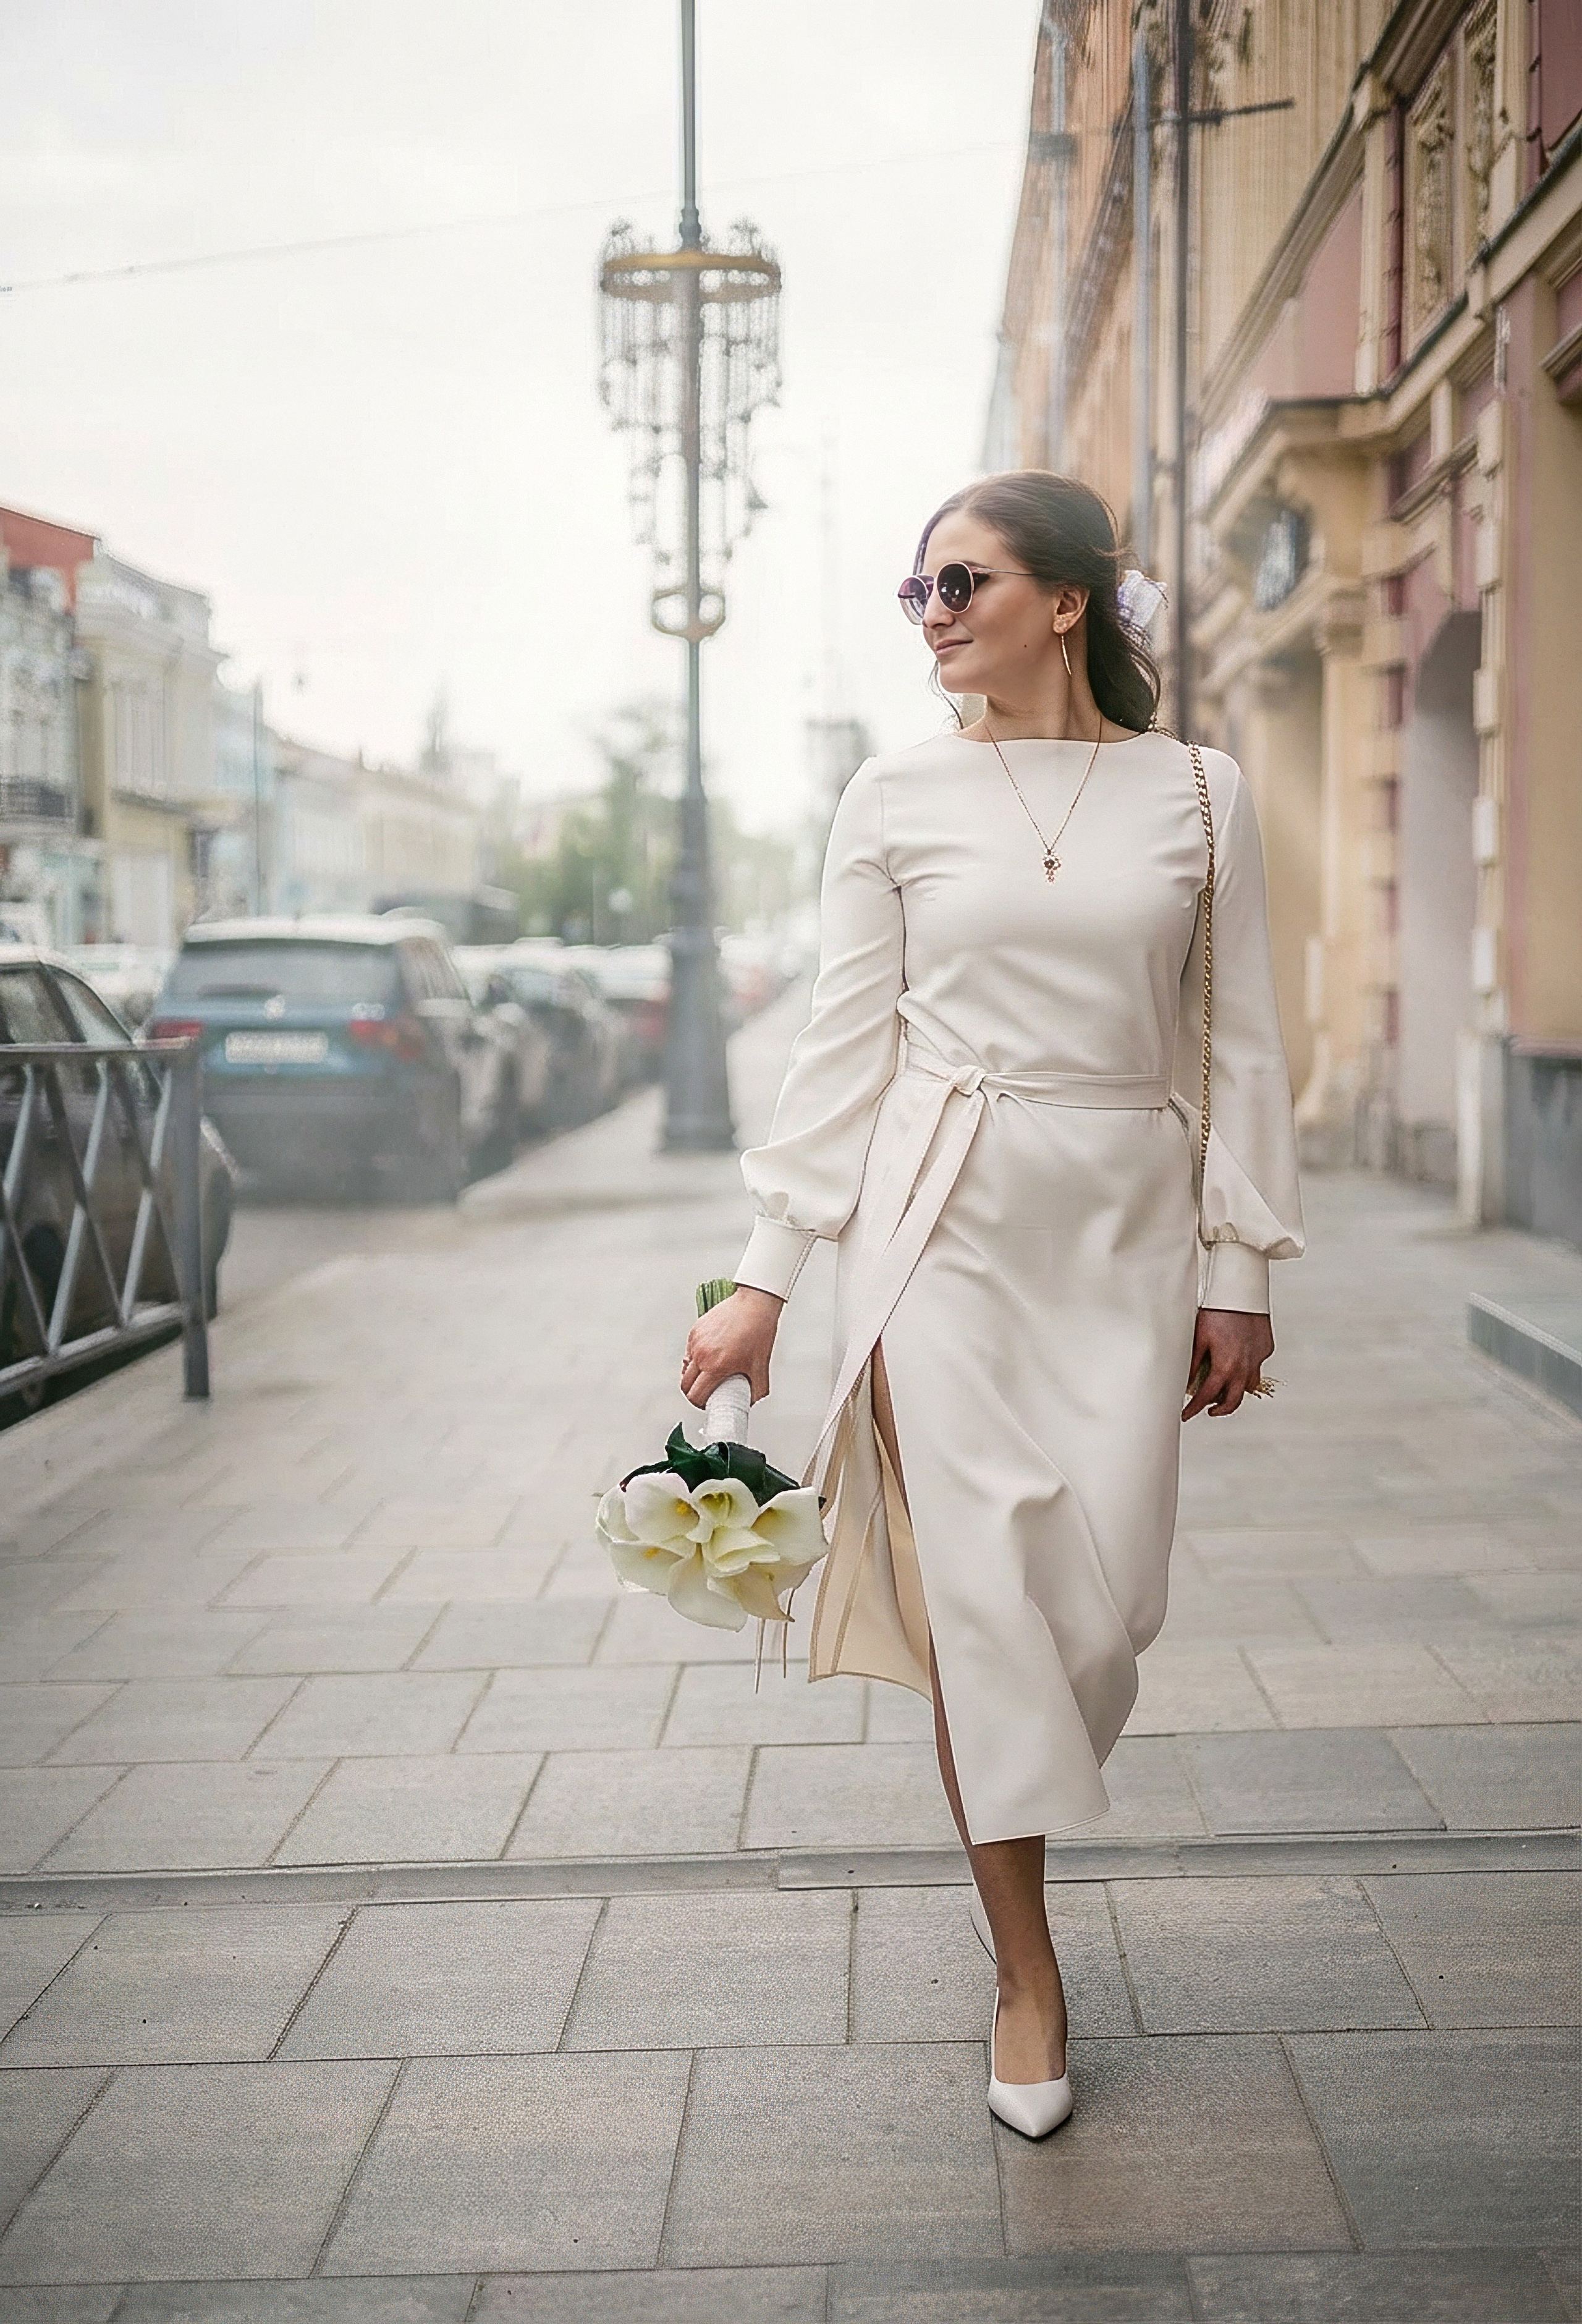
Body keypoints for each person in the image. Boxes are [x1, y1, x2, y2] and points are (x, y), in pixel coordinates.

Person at [681, 470, 1303, 2137]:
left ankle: (1023, 1873)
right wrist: (765, 1280)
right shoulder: (894, 797)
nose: (933, 612)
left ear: (1067, 601)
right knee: (987, 1606)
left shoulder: (1202, 793)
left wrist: (1239, 1269)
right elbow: (842, 1049)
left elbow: (1241, 1042)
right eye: (919, 589)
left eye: (962, 581)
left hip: (1125, 1227)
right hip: (936, 1227)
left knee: (1104, 1611)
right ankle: (1028, 1975)